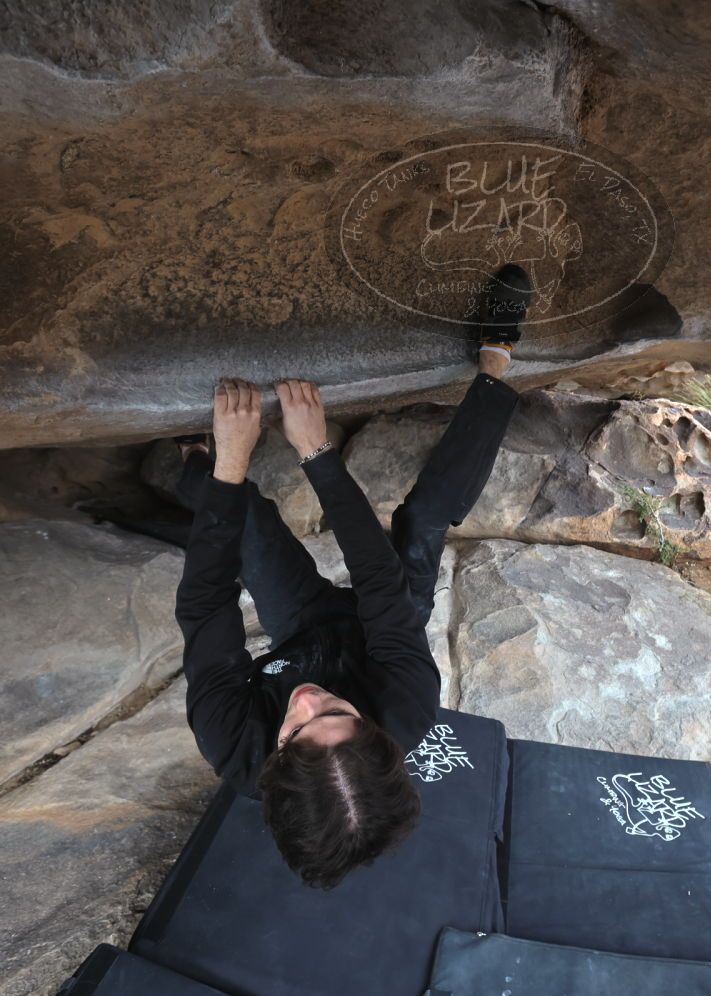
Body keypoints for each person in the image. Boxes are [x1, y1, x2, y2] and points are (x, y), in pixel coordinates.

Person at [174, 265, 532, 888]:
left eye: (295, 729)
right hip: (376, 637)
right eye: (336, 710)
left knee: (235, 513)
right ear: (378, 734)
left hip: (300, 633)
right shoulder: (407, 706)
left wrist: (229, 464)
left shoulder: (232, 745)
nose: (308, 700)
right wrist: (317, 453)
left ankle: (190, 460)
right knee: (423, 519)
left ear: (271, 767)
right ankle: (497, 357)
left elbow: (207, 606)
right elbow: (377, 579)